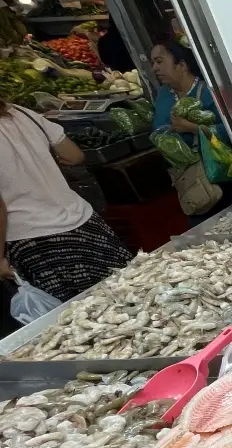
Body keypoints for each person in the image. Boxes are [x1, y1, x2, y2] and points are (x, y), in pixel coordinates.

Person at [0, 100, 133, 301]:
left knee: (84, 317)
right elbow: (74, 155)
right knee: (129, 292)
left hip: (36, 242)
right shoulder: (21, 112)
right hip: (85, 225)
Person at [150, 40, 232, 222]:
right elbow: (158, 128)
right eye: (153, 63)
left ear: (181, 65)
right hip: (193, 181)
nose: (155, 68)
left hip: (224, 174)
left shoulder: (209, 92)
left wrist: (194, 129)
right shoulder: (164, 94)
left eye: (159, 61)